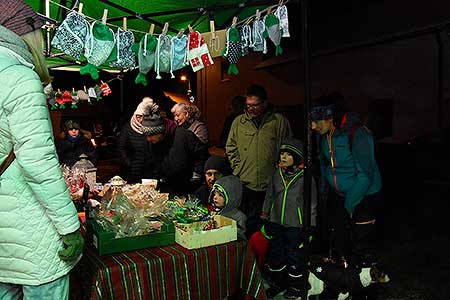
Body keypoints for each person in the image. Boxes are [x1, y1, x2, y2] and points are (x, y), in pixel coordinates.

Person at [0, 2, 84, 299]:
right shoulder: (19, 77)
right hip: (31, 228)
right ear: (26, 32)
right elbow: (37, 162)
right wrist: (69, 226)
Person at [311, 92, 383, 270]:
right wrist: (324, 189)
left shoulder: (357, 134)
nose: (312, 126)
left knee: (361, 242)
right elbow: (325, 164)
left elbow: (366, 175)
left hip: (364, 196)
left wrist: (350, 204)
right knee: (340, 237)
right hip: (339, 195)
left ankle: (365, 284)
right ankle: (346, 277)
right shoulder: (323, 135)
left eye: (317, 120)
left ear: (331, 117)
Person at [226, 84, 292, 238]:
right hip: (246, 183)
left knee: (271, 225)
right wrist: (238, 168)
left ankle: (270, 257)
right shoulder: (238, 122)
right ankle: (251, 256)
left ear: (265, 103)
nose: (251, 109)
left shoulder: (278, 122)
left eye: (255, 105)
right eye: (248, 105)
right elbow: (230, 147)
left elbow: (288, 148)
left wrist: (281, 172)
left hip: (271, 183)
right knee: (249, 223)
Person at [260, 137, 318, 299]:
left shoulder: (306, 178)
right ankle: (278, 283)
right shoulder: (276, 174)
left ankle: (295, 287)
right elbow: (269, 196)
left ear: (297, 158)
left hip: (295, 225)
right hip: (276, 222)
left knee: (294, 257)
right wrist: (265, 217)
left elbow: (312, 203)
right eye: (282, 153)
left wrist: (311, 226)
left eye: (288, 154)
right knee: (276, 255)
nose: (283, 157)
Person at [140, 98, 208, 195]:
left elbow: (201, 155)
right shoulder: (151, 143)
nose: (148, 139)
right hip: (164, 189)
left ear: (161, 131)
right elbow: (149, 164)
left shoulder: (184, 136)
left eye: (151, 135)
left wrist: (195, 178)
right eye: (146, 135)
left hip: (186, 188)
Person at [116, 97, 154, 183]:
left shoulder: (150, 128)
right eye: (138, 116)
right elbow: (120, 148)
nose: (140, 120)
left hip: (147, 171)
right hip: (131, 172)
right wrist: (129, 163)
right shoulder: (127, 128)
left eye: (142, 117)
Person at [171, 102, 209, 183]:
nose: (175, 119)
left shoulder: (199, 127)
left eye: (178, 115)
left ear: (186, 114)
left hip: (194, 172)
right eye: (174, 116)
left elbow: (200, 152)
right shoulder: (178, 128)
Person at [209, 175, 247, 239]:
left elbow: (241, 235)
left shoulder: (239, 217)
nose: (215, 197)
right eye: (214, 194)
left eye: (220, 195)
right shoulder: (216, 212)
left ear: (231, 197)